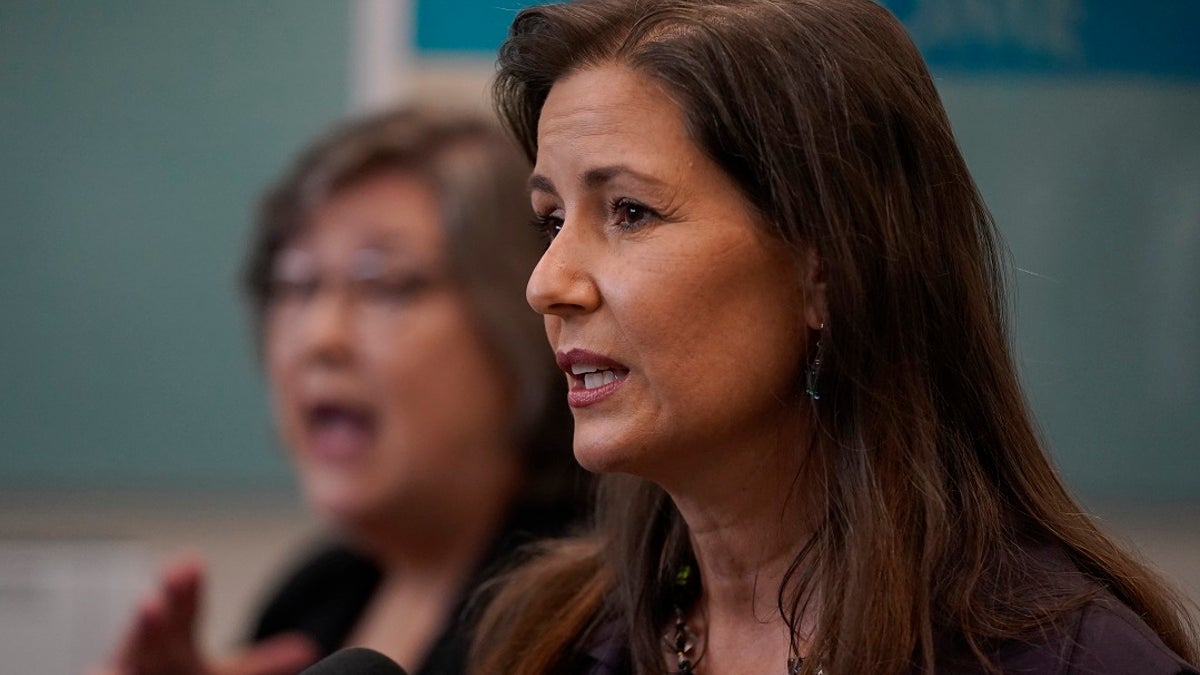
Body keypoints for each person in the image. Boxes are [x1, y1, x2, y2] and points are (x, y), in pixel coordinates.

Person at [469, 1, 1200, 674]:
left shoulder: (1076, 660)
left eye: (629, 212)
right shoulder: (549, 635)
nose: (547, 283)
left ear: (823, 271)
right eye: (552, 221)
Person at [96, 107, 585, 675]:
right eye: (296, 285)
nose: (319, 338)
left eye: (382, 285)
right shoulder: (315, 594)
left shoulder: (587, 608)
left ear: (518, 320)